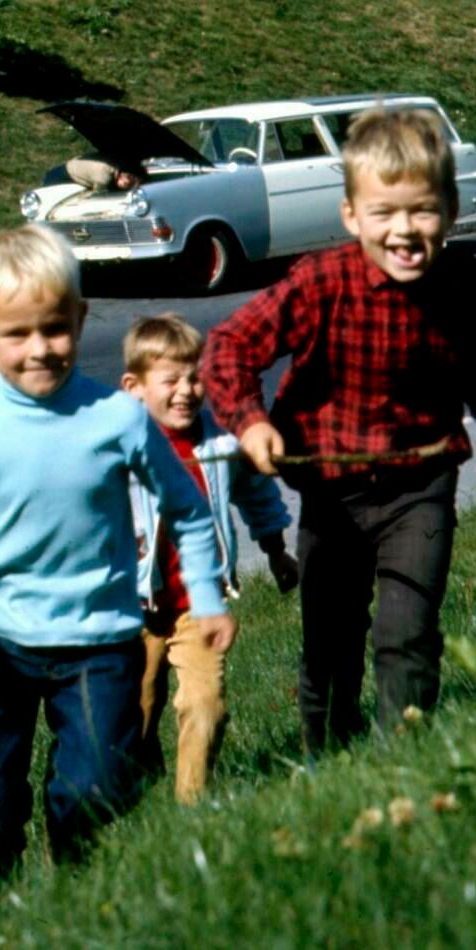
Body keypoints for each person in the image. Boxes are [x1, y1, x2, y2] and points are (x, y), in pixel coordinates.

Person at [203, 105, 476, 754]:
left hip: (420, 486)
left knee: (408, 630)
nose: (404, 231)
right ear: (351, 216)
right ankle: (325, 762)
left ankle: (402, 763)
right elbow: (229, 348)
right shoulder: (320, 282)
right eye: (384, 213)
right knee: (330, 642)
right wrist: (251, 422)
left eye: (422, 210)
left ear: (452, 211)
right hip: (331, 492)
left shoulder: (464, 283)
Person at [0, 227, 235, 892]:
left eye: (54, 328)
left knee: (98, 788)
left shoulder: (119, 419)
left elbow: (190, 511)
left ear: (79, 320)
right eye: (16, 334)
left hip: (101, 643)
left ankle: (70, 867)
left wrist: (208, 595)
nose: (39, 349)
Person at [117, 312, 300, 804]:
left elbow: (257, 493)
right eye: (170, 380)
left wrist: (277, 550)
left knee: (206, 704)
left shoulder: (219, 443)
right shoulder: (117, 449)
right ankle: (136, 774)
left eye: (195, 377)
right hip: (133, 608)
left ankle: (192, 806)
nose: (186, 391)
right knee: (135, 711)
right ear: (134, 387)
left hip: (201, 607)